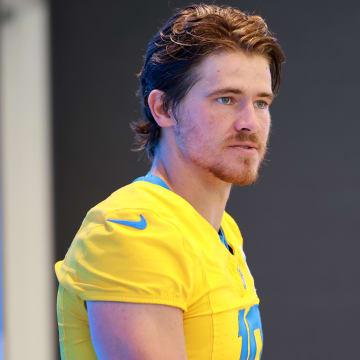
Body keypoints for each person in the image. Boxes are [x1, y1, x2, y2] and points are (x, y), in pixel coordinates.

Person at [55, 4, 285, 359]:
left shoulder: (222, 230)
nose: (249, 123)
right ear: (163, 108)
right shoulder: (134, 232)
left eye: (260, 102)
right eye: (226, 99)